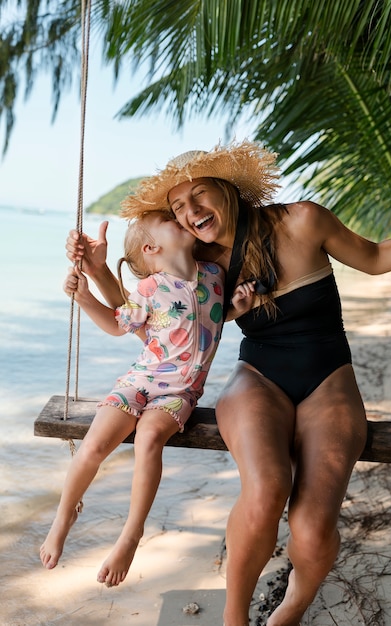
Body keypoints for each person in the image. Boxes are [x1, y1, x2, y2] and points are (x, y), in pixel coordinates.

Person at [65, 141, 391, 626]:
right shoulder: (202, 260)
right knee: (267, 489)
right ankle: (234, 619)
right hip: (258, 380)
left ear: (229, 191)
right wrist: (98, 268)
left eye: (201, 195)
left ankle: (290, 608)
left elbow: (377, 258)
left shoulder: (303, 221)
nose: (191, 213)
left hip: (329, 380)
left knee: (312, 530)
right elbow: (150, 309)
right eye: (178, 207)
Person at [41, 209, 255, 588]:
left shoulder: (215, 277)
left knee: (148, 438)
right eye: (172, 222)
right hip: (139, 379)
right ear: (152, 247)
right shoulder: (151, 288)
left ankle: (131, 534)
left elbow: (212, 321)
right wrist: (85, 297)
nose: (181, 221)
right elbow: (116, 325)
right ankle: (62, 517)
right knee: (94, 445)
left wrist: (237, 306)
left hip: (180, 391)